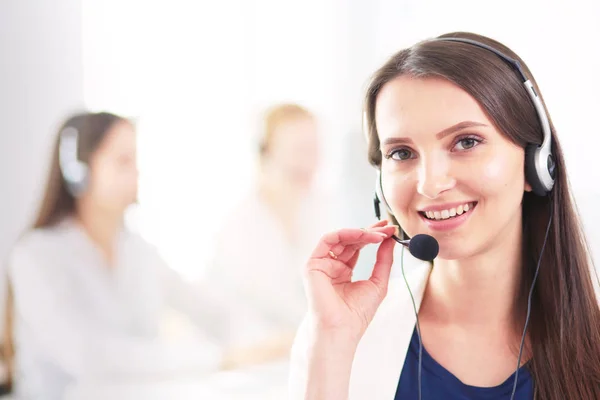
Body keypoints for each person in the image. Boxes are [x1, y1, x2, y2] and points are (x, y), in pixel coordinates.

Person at [288, 32, 600, 400]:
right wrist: (331, 347)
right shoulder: (344, 338)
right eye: (402, 153)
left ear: (535, 162)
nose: (430, 184)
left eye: (466, 142)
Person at [3, 111, 227, 400]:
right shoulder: (36, 256)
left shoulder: (138, 250)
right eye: (123, 161)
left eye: (135, 160)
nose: (136, 173)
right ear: (77, 171)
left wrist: (268, 343)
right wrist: (214, 358)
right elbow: (88, 356)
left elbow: (209, 310)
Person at [207, 103, 337, 368]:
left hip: (304, 352)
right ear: (265, 153)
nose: (309, 161)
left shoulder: (321, 209)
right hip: (250, 357)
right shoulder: (241, 225)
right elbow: (264, 307)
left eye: (314, 149)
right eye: (299, 150)